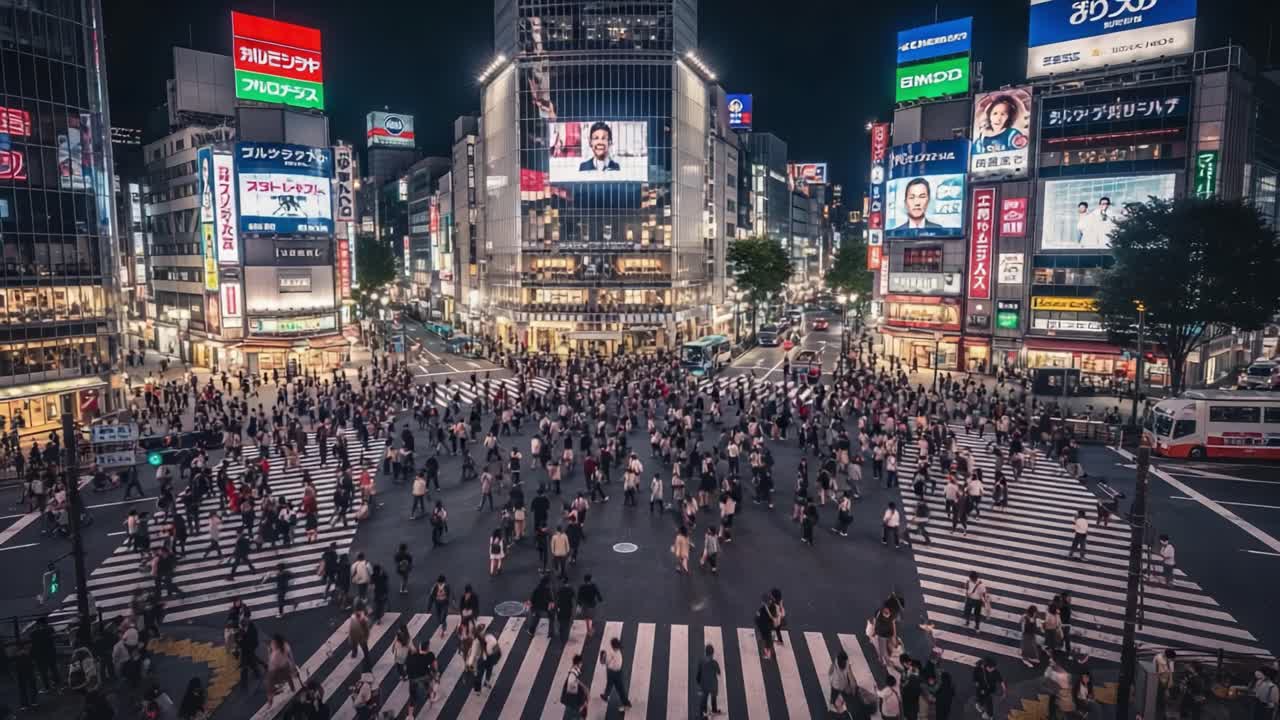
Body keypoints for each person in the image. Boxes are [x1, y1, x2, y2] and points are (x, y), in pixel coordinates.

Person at [828, 649, 858, 715]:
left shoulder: (836, 662)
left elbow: (830, 670)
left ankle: (834, 707)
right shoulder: (847, 665)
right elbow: (852, 680)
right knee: (845, 697)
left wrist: (830, 677)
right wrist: (853, 691)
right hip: (843, 685)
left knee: (834, 697)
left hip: (835, 685)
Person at [696, 643, 722, 717]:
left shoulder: (701, 662)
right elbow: (718, 672)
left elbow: (698, 673)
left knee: (705, 698)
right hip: (713, 684)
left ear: (705, 652)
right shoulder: (714, 663)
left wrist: (699, 683)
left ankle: (703, 712)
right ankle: (714, 709)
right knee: (713, 697)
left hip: (704, 684)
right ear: (712, 653)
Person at [560, 653, 588, 718]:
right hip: (572, 704)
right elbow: (572, 691)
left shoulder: (574, 672)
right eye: (581, 663)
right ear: (579, 663)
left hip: (571, 703)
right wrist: (582, 703)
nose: (582, 665)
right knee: (571, 715)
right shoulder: (573, 675)